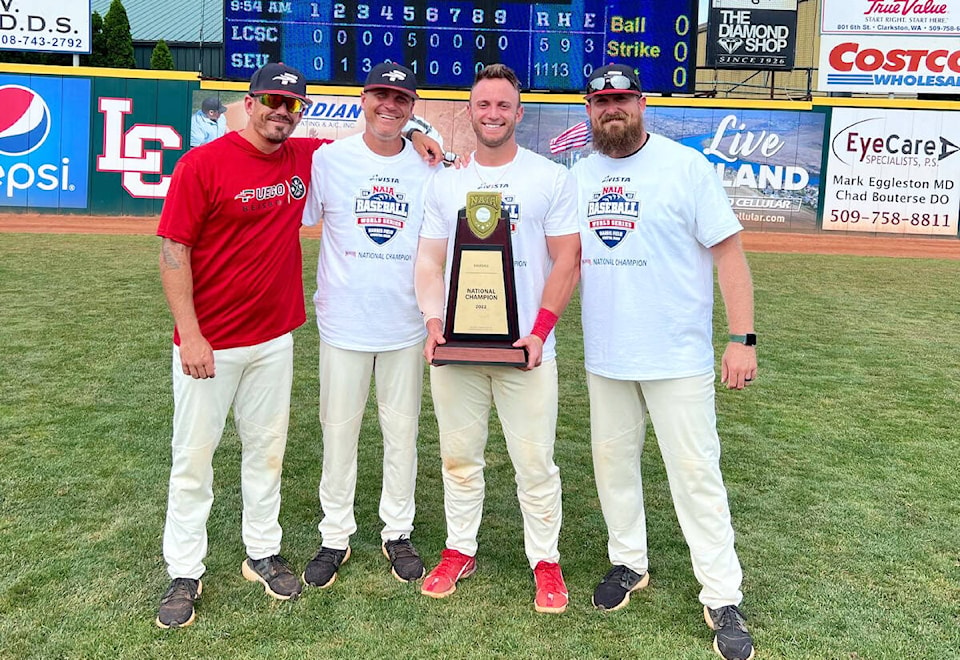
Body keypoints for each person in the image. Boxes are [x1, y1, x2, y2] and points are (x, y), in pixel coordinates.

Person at [154, 61, 446, 629]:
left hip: (273, 337)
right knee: (193, 460)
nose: (280, 112)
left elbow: (387, 132)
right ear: (250, 101)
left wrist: (418, 133)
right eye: (271, 102)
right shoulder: (203, 163)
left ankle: (262, 552)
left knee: (266, 454)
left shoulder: (304, 156)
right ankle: (184, 571)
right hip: (209, 340)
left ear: (301, 111)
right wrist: (189, 333)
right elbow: (172, 249)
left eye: (291, 105)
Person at [571, 64, 758, 660]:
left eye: (621, 98)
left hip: (678, 355)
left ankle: (722, 593)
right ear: (589, 108)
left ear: (641, 102)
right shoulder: (580, 174)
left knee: (696, 473)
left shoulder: (685, 167)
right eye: (601, 101)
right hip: (608, 355)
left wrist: (743, 338)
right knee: (613, 467)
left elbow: (729, 255)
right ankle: (629, 562)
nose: (612, 109)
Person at [413, 64, 581, 613]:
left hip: (526, 350)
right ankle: (460, 549)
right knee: (460, 457)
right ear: (470, 111)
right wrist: (434, 323)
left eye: (503, 105)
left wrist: (539, 332)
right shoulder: (448, 180)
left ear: (518, 113)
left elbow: (567, 260)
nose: (492, 114)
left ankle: (547, 562)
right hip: (458, 348)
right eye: (483, 104)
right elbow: (430, 261)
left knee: (536, 463)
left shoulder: (549, 178)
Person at [300, 63, 443, 589]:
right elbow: (302, 217)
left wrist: (422, 137)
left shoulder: (430, 166)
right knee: (339, 434)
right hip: (343, 323)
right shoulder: (330, 161)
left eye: (400, 98)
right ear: (364, 98)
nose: (389, 105)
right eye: (381, 94)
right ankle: (335, 535)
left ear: (412, 106)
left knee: (401, 434)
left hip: (405, 324)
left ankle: (397, 530)